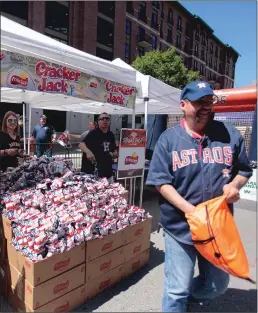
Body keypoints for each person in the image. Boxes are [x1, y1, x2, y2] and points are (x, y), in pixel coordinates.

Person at [146, 81, 253, 312]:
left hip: (216, 228)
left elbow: (244, 170)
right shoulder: (168, 139)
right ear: (183, 105)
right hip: (180, 227)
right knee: (176, 289)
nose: (205, 106)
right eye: (198, 101)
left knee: (218, 284)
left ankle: (187, 299)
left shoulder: (229, 134)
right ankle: (178, 301)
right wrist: (191, 211)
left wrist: (235, 185)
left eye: (209, 101)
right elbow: (160, 182)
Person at [79, 112, 117, 183]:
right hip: (94, 172)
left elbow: (113, 149)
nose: (105, 120)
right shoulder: (93, 133)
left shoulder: (111, 135)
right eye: (102, 119)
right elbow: (81, 144)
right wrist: (88, 152)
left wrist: (114, 153)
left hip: (108, 171)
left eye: (107, 119)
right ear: (98, 122)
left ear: (110, 122)